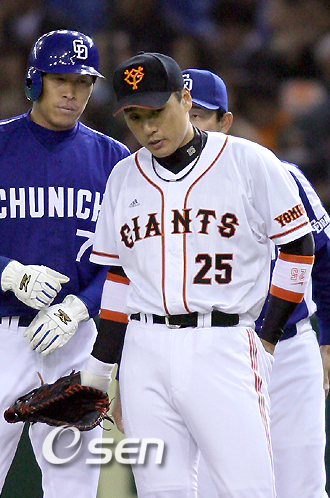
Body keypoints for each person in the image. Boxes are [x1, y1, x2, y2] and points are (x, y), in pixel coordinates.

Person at [79, 51, 315, 497]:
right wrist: (100, 366)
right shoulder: (123, 177)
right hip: (144, 350)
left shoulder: (247, 160)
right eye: (134, 116)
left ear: (185, 100)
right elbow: (119, 279)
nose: (148, 128)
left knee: (246, 490)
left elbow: (299, 249)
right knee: (159, 491)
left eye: (157, 111)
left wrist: (267, 336)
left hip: (221, 342)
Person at [0, 29, 130, 498]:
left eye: (83, 82)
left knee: (74, 487)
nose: (72, 92)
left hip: (75, 342)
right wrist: (7, 273)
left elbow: (126, 263)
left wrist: (79, 308)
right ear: (35, 81)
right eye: (61, 80)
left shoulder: (115, 160)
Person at [182, 68, 330, 498]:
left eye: (199, 116)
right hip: (212, 349)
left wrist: (327, 340)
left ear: (224, 122)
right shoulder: (155, 191)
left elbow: (324, 259)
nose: (188, 127)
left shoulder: (279, 174)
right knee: (217, 488)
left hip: (288, 349)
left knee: (301, 486)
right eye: (180, 113)